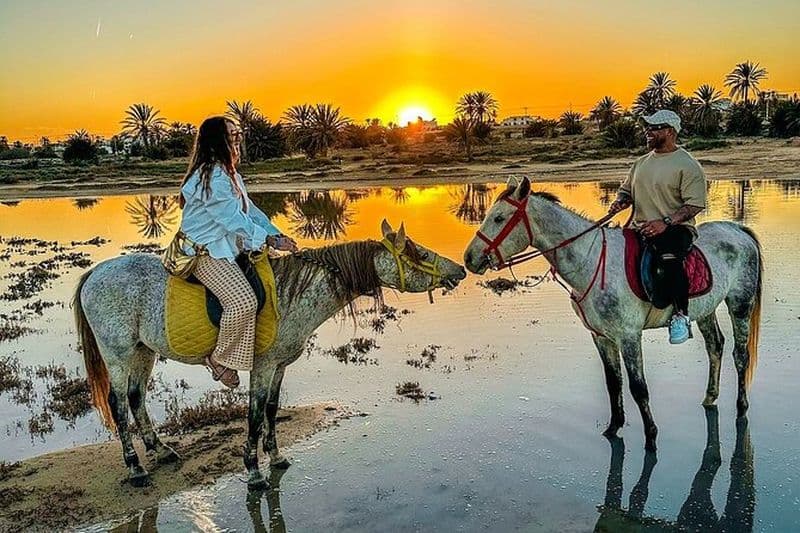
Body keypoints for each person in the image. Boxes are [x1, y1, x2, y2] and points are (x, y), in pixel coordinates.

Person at [178, 116, 298, 387]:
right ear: (216, 140)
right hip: (206, 252)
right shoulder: (212, 177)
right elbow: (232, 220)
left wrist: (274, 233)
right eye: (232, 134)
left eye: (238, 133)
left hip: (226, 247)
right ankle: (219, 359)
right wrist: (268, 242)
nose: (237, 139)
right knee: (243, 301)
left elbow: (250, 211)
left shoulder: (229, 173)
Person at [608, 109, 707, 344]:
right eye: (648, 128)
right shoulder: (640, 163)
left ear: (670, 132)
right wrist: (621, 201)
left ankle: (681, 315)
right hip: (639, 227)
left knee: (668, 258)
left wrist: (665, 223)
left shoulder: (688, 165)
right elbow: (626, 190)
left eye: (654, 128)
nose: (647, 132)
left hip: (676, 228)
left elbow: (694, 205)